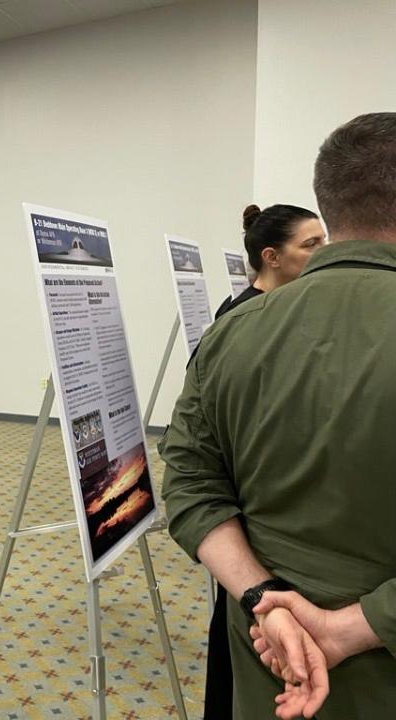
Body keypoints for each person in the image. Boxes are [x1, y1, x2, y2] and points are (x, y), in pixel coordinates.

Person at [160, 112, 396, 720]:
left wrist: (264, 597)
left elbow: (190, 487)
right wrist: (357, 625)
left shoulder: (230, 335)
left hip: (269, 666)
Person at [202, 203, 325, 720]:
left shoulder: (299, 314)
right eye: (312, 246)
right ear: (272, 257)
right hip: (247, 518)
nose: (325, 254)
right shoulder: (238, 322)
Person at [214, 204, 326, 319]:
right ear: (272, 257)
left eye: (324, 241)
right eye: (311, 244)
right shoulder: (243, 314)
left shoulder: (291, 303)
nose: (326, 250)